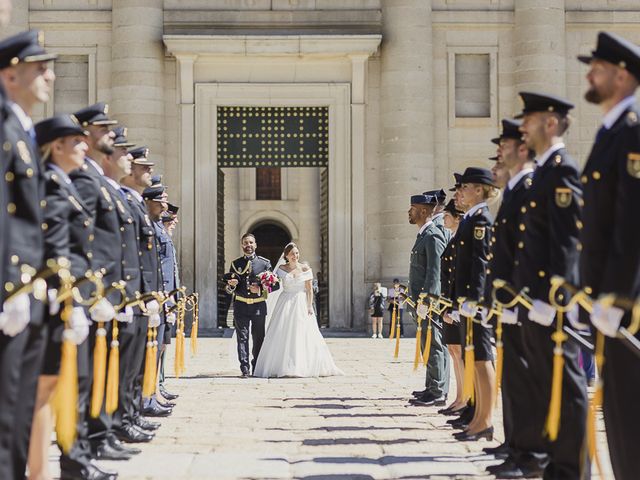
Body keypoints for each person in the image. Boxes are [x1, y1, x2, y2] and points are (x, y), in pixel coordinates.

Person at [513, 91, 589, 479]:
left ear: (551, 122)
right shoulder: (544, 170)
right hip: (535, 301)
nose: (523, 126)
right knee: (546, 386)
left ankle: (571, 469)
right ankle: (554, 465)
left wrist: (554, 296)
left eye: (530, 118)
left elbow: (566, 241)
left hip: (551, 303)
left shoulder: (561, 169)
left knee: (567, 389)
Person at [578, 31, 640, 480]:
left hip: (625, 310)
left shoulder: (632, 132)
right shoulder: (611, 132)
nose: (588, 75)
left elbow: (632, 223)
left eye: (596, 68)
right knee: (617, 418)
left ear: (621, 75)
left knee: (630, 420)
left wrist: (616, 297)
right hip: (606, 304)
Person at [0, 30, 57, 480]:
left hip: (28, 291)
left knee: (19, 413)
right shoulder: (4, 128)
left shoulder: (20, 129)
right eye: (40, 68)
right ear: (10, 73)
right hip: (10, 292)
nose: (50, 77)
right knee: (5, 417)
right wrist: (7, 286)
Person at [28, 114, 94, 480]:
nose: (85, 147)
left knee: (62, 382)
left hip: (69, 297)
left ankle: (57, 464)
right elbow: (55, 246)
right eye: (77, 141)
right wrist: (67, 299)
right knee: (48, 385)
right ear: (56, 147)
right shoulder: (53, 182)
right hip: (58, 298)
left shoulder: (63, 182)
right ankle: (42, 468)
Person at [483, 119, 548, 478]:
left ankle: (532, 454)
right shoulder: (516, 191)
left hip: (528, 304)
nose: (498, 156)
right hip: (512, 304)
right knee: (516, 380)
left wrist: (538, 299)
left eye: (502, 148)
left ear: (521, 149)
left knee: (529, 381)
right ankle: (519, 448)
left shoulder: (533, 186)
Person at [121, 146, 169, 422]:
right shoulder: (128, 203)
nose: (164, 205)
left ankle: (132, 413)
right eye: (143, 165)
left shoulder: (136, 206)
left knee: (137, 360)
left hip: (143, 298)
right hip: (125, 297)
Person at [453, 167, 498, 442]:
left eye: (465, 186)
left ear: (479, 190)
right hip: (467, 301)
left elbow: (481, 263)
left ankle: (485, 421)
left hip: (476, 302)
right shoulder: (470, 219)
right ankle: (478, 418)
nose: (461, 191)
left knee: (482, 360)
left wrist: (476, 300)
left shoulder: (481, 219)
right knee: (475, 359)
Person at [253, 242, 343, 378]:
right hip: (285, 302)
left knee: (302, 332)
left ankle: (303, 365)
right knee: (282, 331)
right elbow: (274, 286)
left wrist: (309, 305)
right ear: (286, 256)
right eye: (292, 254)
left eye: (297, 253)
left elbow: (309, 289)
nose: (295, 256)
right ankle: (282, 365)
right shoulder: (281, 269)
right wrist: (263, 286)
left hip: (300, 302)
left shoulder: (305, 268)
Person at [407, 192, 447, 407]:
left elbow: (435, 270)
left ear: (423, 211)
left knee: (435, 345)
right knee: (427, 345)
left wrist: (428, 299)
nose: (409, 212)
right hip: (419, 301)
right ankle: (431, 386)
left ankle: (438, 390)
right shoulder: (423, 235)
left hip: (428, 303)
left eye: (412, 208)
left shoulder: (432, 236)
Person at [225, 233, 279, 377]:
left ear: (255, 245)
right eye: (245, 243)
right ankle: (245, 368)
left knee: (258, 337)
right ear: (242, 245)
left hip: (258, 307)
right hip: (241, 305)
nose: (248, 245)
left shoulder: (264, 263)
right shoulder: (236, 264)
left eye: (251, 242)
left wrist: (261, 289)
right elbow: (229, 287)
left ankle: (256, 366)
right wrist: (231, 286)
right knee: (242, 338)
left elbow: (276, 285)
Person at [438, 197, 465, 416]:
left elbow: (461, 277)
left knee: (461, 353)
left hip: (456, 306)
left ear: (457, 218)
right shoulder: (453, 238)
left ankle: (465, 398)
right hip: (448, 304)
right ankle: (459, 397)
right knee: (454, 351)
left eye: (446, 215)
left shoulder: (461, 239)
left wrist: (454, 307)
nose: (443, 219)